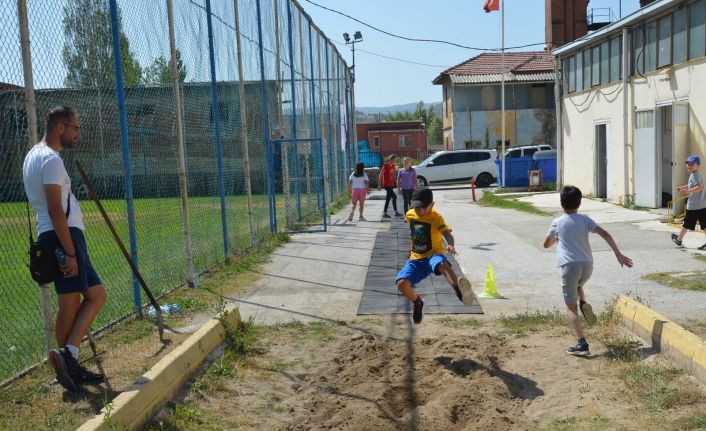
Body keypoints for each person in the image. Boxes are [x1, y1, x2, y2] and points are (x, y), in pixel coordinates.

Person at [22, 106, 107, 393]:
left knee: (96, 294)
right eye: (75, 128)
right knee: (69, 303)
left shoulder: (33, 156)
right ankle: (67, 367)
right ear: (60, 128)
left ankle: (69, 355)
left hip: (58, 235)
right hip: (63, 237)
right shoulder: (51, 160)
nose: (77, 133)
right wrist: (70, 252)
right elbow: (55, 209)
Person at [544, 185, 633, 356]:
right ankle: (583, 303)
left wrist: (556, 238)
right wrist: (618, 255)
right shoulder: (585, 220)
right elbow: (605, 234)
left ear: (561, 203)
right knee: (578, 285)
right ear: (580, 203)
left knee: (571, 308)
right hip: (587, 265)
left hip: (570, 266)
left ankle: (582, 344)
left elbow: (546, 244)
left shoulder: (557, 223)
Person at [395, 188, 475, 324]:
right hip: (416, 258)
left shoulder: (436, 217)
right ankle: (417, 302)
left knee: (442, 264)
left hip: (434, 254)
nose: (420, 211)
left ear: (432, 205)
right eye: (417, 207)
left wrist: (451, 245)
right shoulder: (410, 214)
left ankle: (459, 289)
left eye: (424, 208)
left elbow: (447, 234)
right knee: (401, 284)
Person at [671, 155, 706, 249]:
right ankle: (679, 239)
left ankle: (679, 240)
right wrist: (683, 187)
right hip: (702, 205)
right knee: (704, 225)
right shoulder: (696, 174)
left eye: (692, 164)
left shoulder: (695, 175)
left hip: (693, 206)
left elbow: (699, 187)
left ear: (698, 165)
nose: (689, 166)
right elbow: (692, 184)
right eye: (688, 164)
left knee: (686, 224)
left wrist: (687, 191)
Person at [378, 154, 401, 218]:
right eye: (395, 160)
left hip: (391, 184)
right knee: (394, 197)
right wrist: (379, 185)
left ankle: (386, 213)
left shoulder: (393, 166)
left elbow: (393, 175)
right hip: (386, 185)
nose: (395, 161)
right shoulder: (385, 166)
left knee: (388, 198)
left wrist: (396, 183)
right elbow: (380, 175)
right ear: (391, 160)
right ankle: (395, 212)